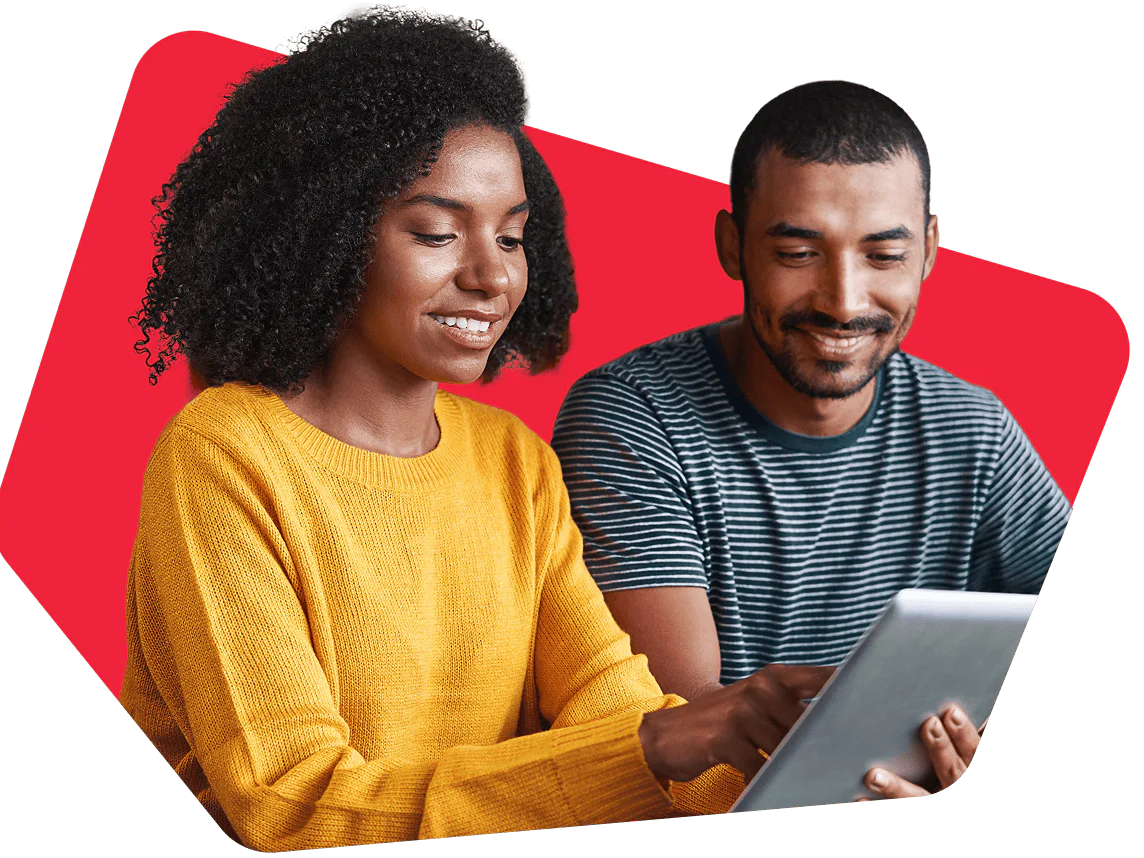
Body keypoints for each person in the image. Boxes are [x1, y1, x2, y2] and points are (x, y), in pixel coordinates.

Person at [121, 9, 832, 851]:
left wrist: (799, 764)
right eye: (435, 232)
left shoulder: (512, 461)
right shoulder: (224, 454)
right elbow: (291, 808)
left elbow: (617, 711)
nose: (492, 276)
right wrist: (657, 748)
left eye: (513, 236)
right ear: (324, 233)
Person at [551, 80, 1071, 799]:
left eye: (884, 256)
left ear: (929, 252)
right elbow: (683, 728)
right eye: (798, 252)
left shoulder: (973, 430)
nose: (844, 300)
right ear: (732, 247)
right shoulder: (635, 417)